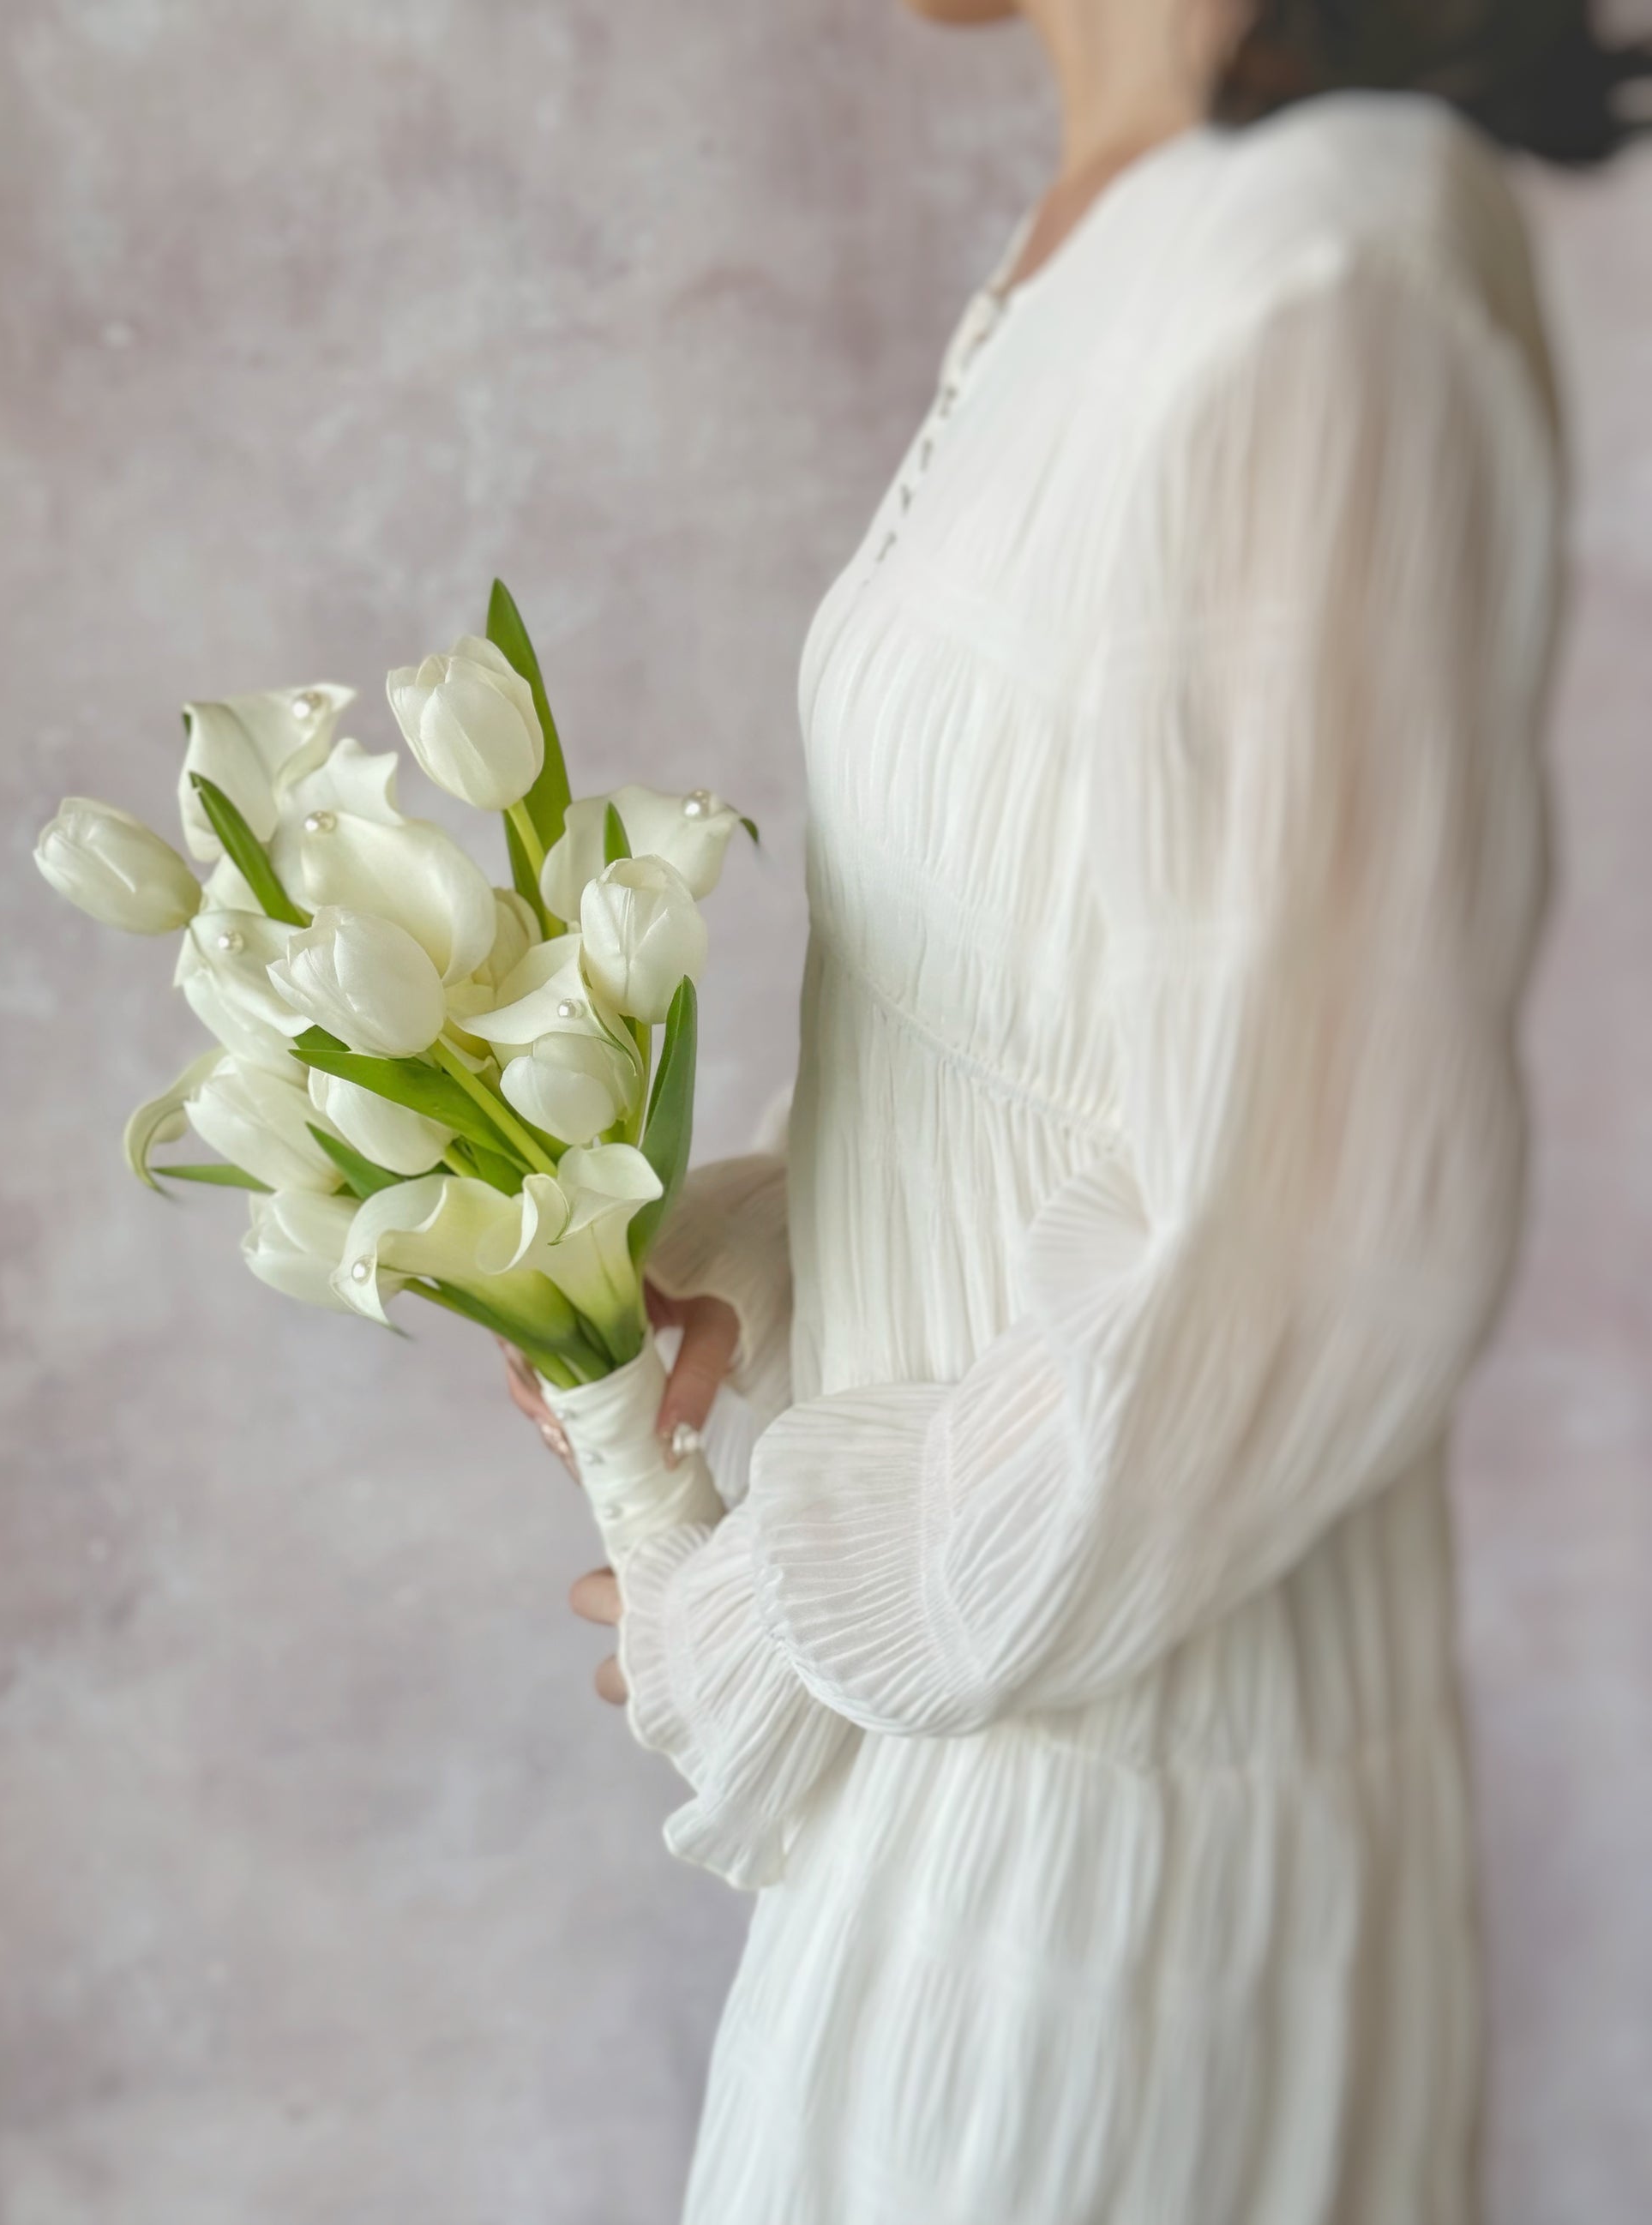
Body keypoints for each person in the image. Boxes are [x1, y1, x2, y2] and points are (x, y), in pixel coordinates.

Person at [505, 3, 1648, 2217]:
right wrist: (754, 1235)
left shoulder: (1324, 271)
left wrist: (774, 1610)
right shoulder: (1118, 235)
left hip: (1128, 1825)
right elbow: (1083, 1027)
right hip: (972, 1774)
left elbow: (1311, 1234)